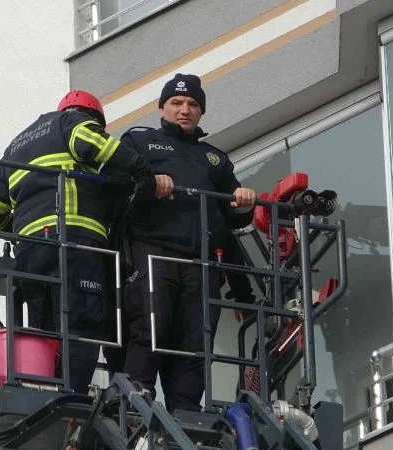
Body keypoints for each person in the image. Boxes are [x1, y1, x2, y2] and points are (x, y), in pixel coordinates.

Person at [0, 90, 173, 394]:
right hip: (75, 240)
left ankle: (47, 391)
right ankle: (73, 400)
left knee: (46, 328)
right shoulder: (73, 122)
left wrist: (21, 223)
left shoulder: (14, 147)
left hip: (30, 250)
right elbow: (92, 143)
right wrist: (140, 169)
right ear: (92, 118)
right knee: (82, 324)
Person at [120, 74, 256, 412]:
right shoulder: (139, 142)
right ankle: (136, 406)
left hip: (202, 261)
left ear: (201, 112)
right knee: (151, 328)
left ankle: (186, 415)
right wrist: (147, 183)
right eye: (177, 103)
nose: (185, 110)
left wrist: (245, 202)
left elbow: (231, 220)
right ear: (162, 108)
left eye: (193, 105)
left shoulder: (215, 159)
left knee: (195, 344)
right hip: (154, 250)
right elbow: (116, 191)